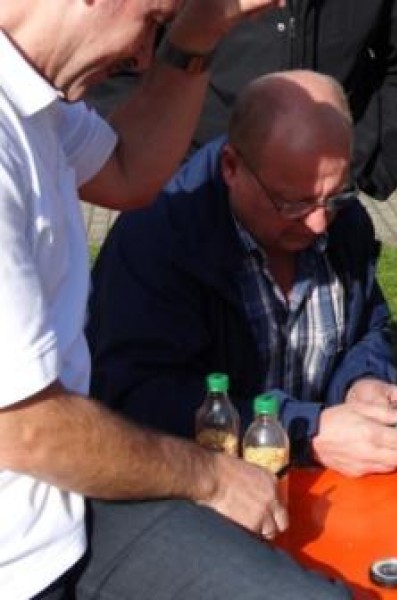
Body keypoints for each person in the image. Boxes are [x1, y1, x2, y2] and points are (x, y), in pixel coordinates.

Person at [0, 2, 351, 599]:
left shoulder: (32, 93)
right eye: (152, 21)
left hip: (63, 503)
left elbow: (130, 169)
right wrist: (210, 475)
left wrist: (199, 31)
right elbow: (25, 428)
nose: (143, 57)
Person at [87, 70, 397, 479]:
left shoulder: (344, 220)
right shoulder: (158, 240)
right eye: (292, 203)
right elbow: (139, 397)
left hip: (321, 484)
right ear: (232, 167)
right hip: (198, 489)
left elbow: (368, 325)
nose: (319, 223)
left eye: (334, 196)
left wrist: (362, 382)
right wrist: (303, 430)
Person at [85, 0, 397, 201]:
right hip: (193, 187)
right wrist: (161, 165)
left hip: (319, 205)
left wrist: (357, 162)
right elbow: (115, 58)